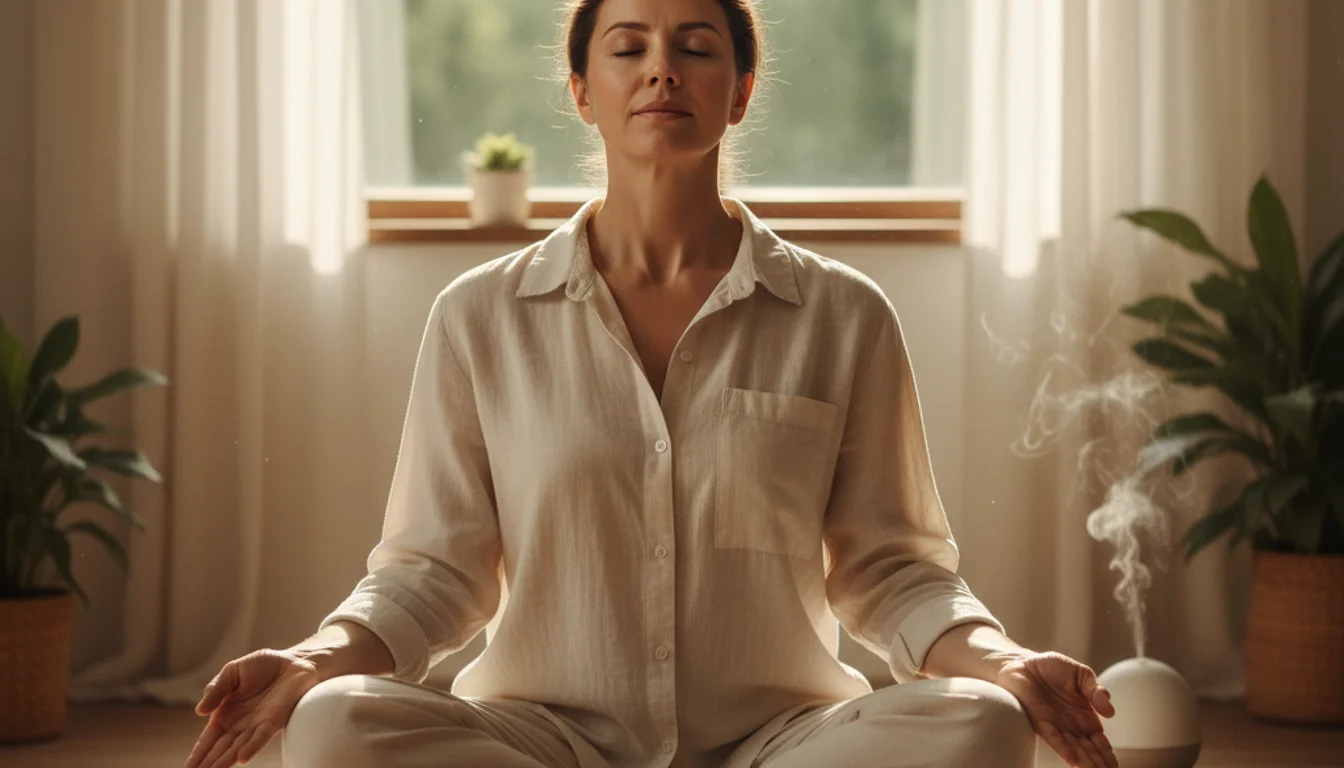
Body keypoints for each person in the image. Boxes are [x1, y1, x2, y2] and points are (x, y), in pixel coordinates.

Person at [185, 1, 1120, 767]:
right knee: (334, 721)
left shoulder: (844, 316)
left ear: (740, 92)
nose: (662, 70)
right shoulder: (479, 316)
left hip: (781, 742)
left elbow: (892, 569)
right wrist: (312, 659)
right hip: (540, 738)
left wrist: (1004, 659)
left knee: (982, 722)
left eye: (696, 48)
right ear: (583, 91)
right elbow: (434, 570)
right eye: (629, 48)